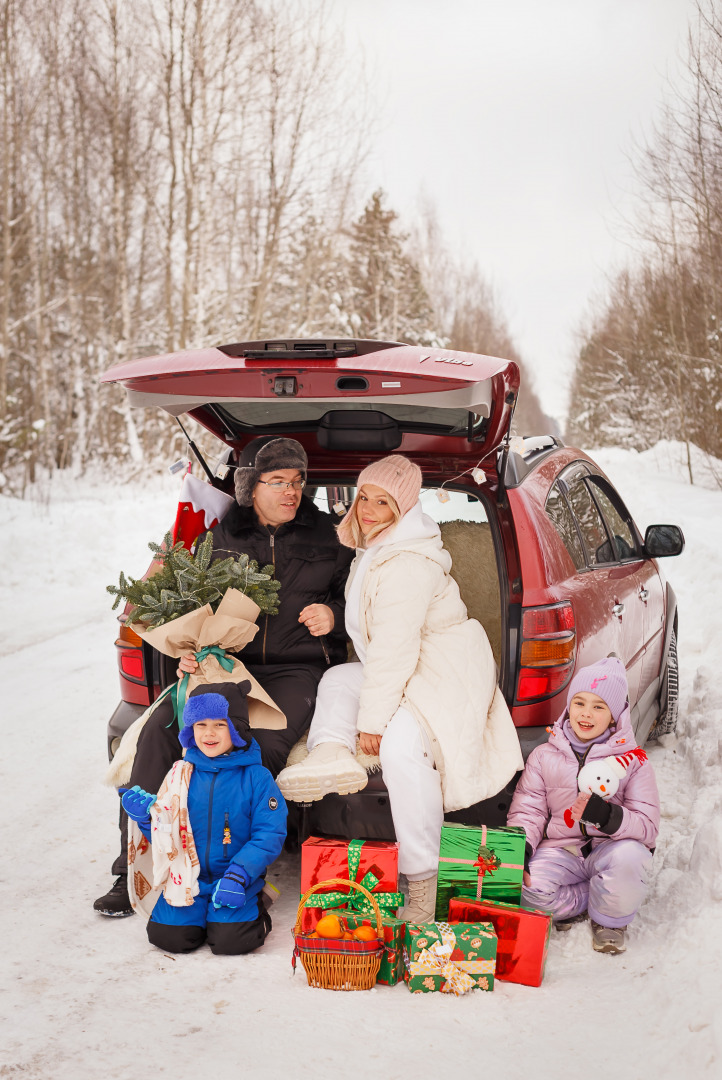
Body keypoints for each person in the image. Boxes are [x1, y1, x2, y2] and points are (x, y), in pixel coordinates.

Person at [94, 436, 353, 916]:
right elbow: (181, 603)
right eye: (277, 481)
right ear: (251, 486)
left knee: (264, 744)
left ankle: (227, 865)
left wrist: (333, 615)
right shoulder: (216, 534)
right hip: (229, 660)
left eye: (296, 481)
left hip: (297, 667)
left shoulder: (331, 535)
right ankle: (134, 864)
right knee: (161, 733)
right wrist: (185, 653)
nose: (291, 491)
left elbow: (357, 596)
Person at [276, 454, 524, 923]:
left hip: (442, 670)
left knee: (400, 751)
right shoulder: (375, 549)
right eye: (364, 496)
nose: (367, 509)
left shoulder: (406, 563)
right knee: (338, 679)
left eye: (383, 502)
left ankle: (422, 882)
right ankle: (329, 756)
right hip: (410, 663)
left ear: (405, 508)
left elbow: (393, 651)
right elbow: (381, 653)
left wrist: (372, 723)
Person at [506, 656, 660, 955]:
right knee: (525, 889)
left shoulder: (634, 761)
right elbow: (529, 810)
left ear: (615, 716)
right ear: (568, 707)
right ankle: (595, 895)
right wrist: (520, 848)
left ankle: (610, 920)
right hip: (562, 850)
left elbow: (648, 827)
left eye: (598, 706)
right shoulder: (543, 756)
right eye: (579, 703)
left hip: (610, 850)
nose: (586, 714)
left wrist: (608, 817)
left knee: (630, 858)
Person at [122, 684, 287, 955]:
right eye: (200, 724)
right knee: (168, 937)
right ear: (190, 731)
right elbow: (169, 837)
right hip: (189, 879)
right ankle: (201, 913)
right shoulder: (179, 776)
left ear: (236, 729)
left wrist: (240, 874)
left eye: (219, 724)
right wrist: (144, 819)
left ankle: (257, 901)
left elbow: (269, 833)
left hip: (234, 877)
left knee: (233, 941)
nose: (209, 733)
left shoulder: (256, 777)